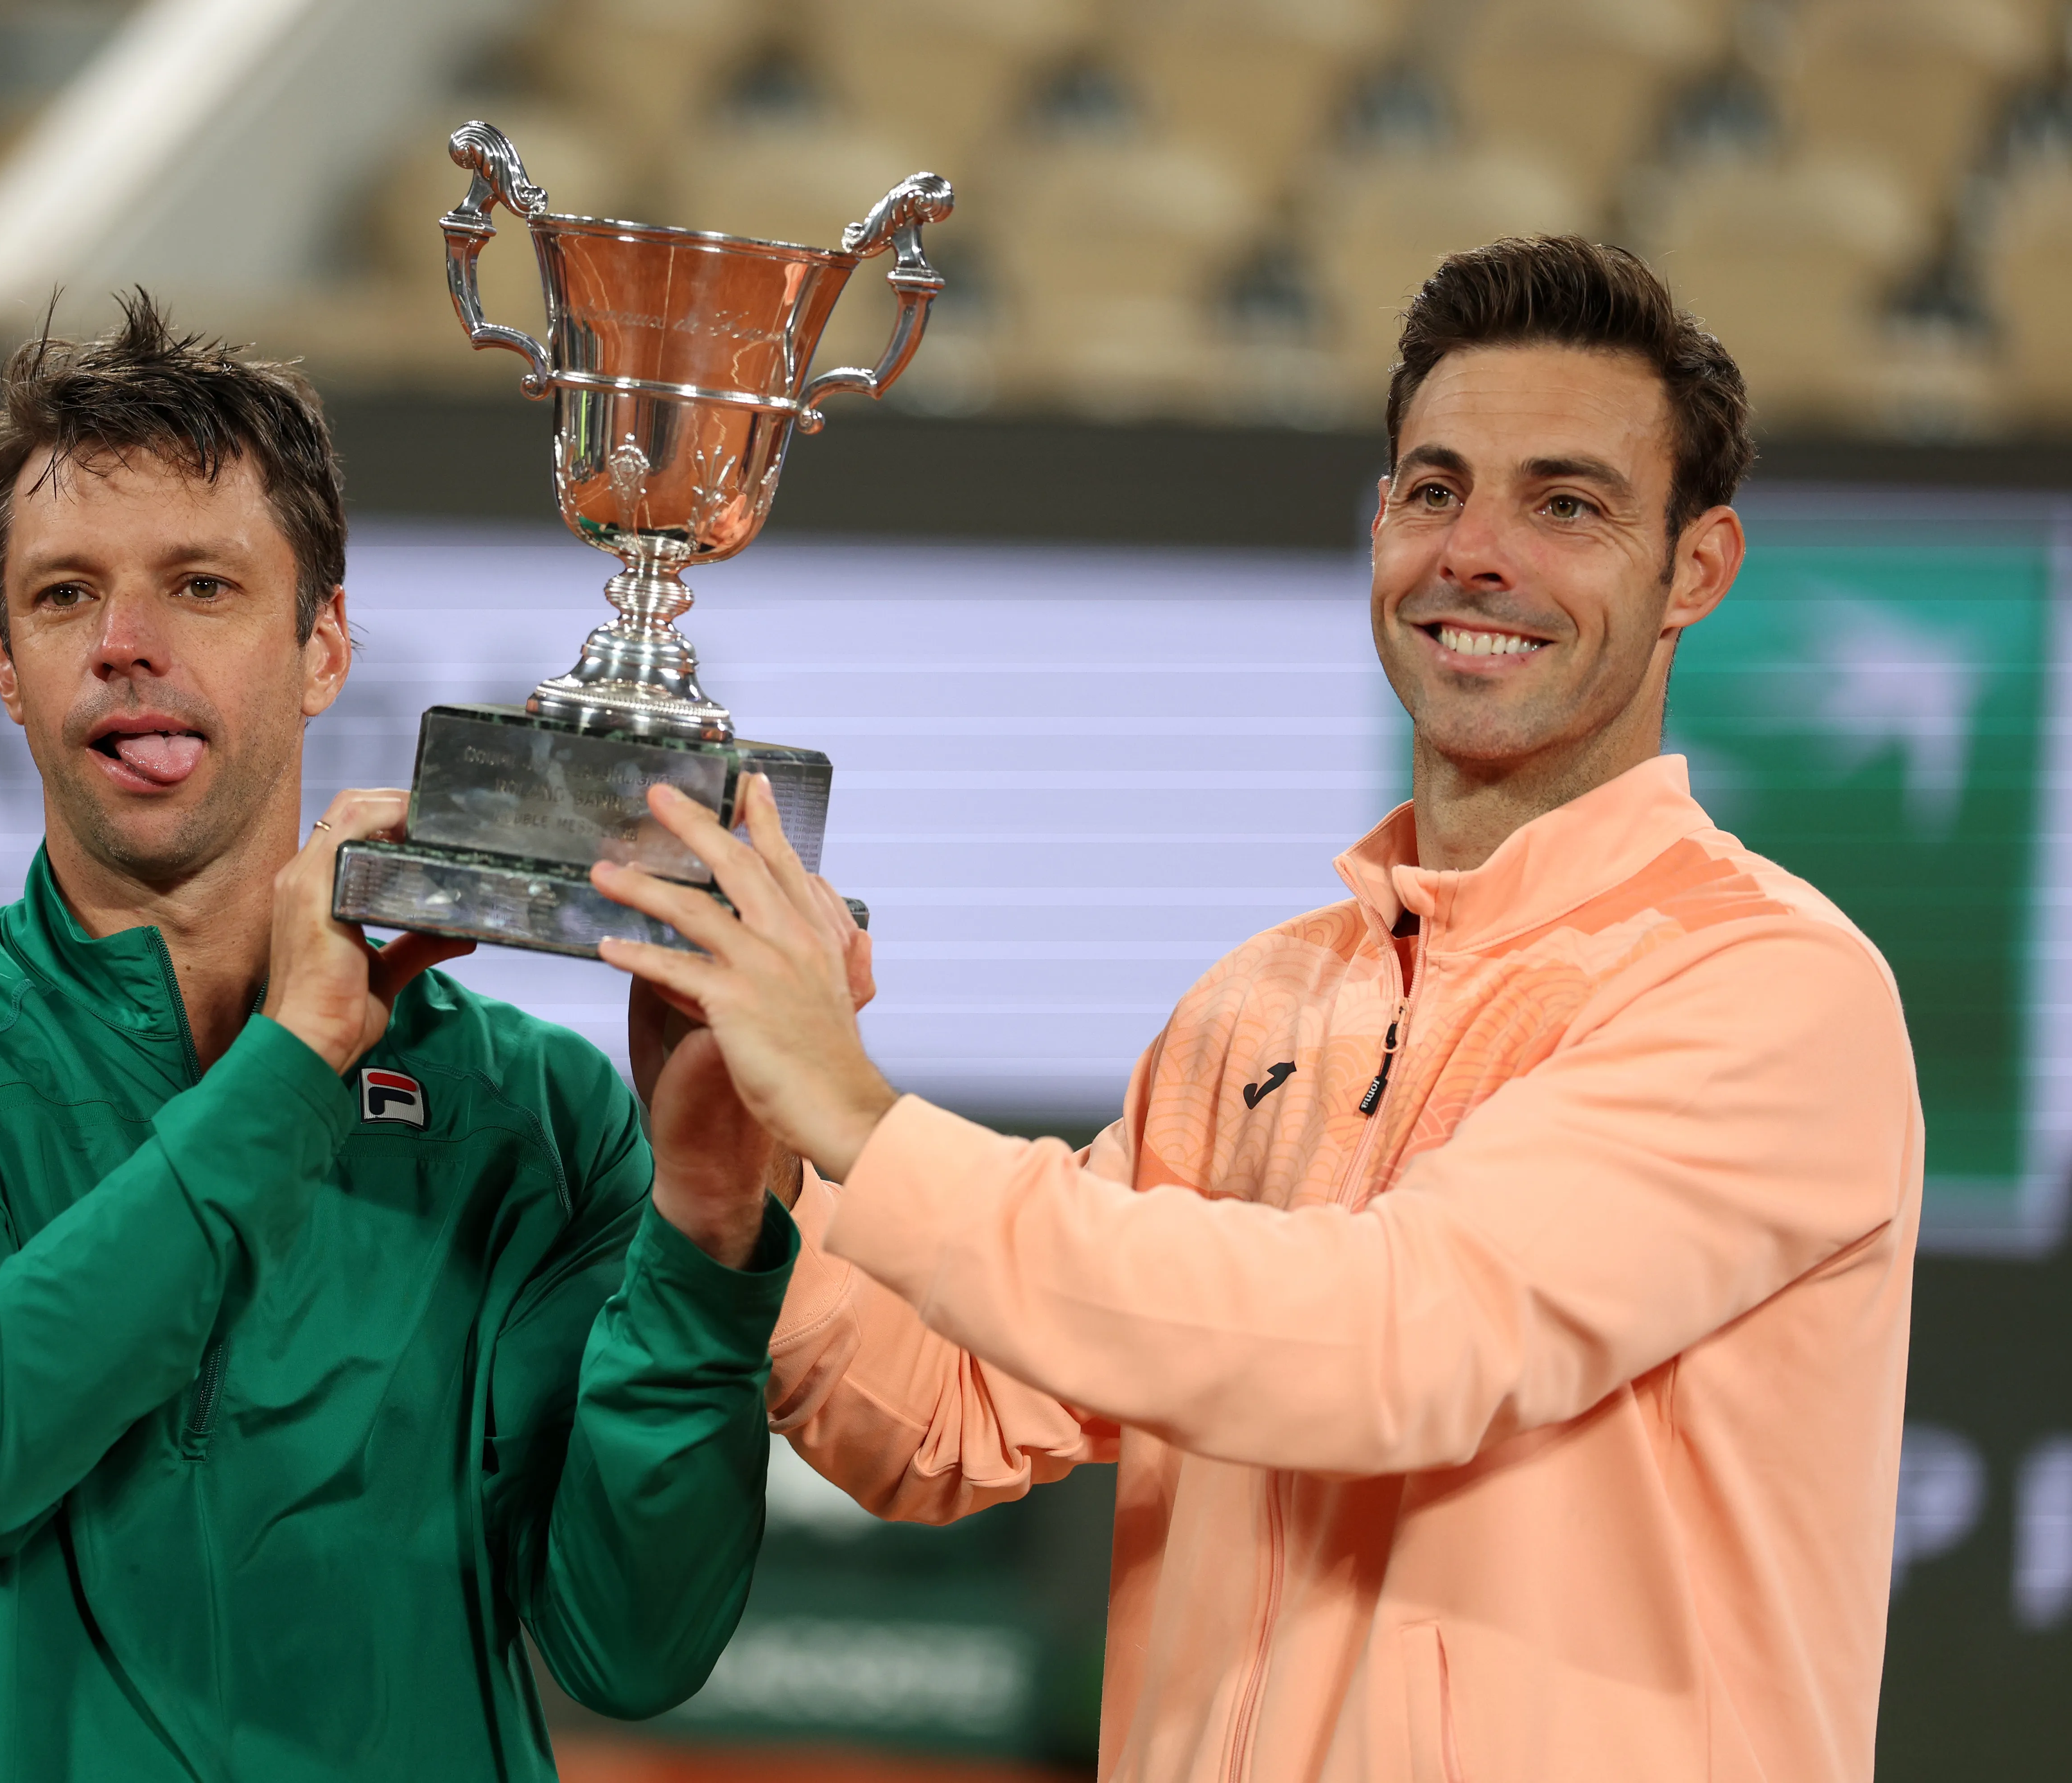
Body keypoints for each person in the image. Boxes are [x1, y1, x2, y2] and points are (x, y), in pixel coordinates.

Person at [593, 236, 1920, 1781]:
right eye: (1432, 490)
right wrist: (751, 1170)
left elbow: (1393, 1342)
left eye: (1565, 504)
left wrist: (863, 1122)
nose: (1475, 553)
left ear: (1696, 567)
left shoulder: (1766, 987)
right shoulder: (1266, 1001)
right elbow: (940, 1414)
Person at [0, 294, 797, 1782]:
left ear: (323, 645)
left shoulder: (536, 1113)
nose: (123, 645)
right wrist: (292, 1060)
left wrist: (703, 1224)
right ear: (3, 660)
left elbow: (635, 1641)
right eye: (62, 597)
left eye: (201, 586)